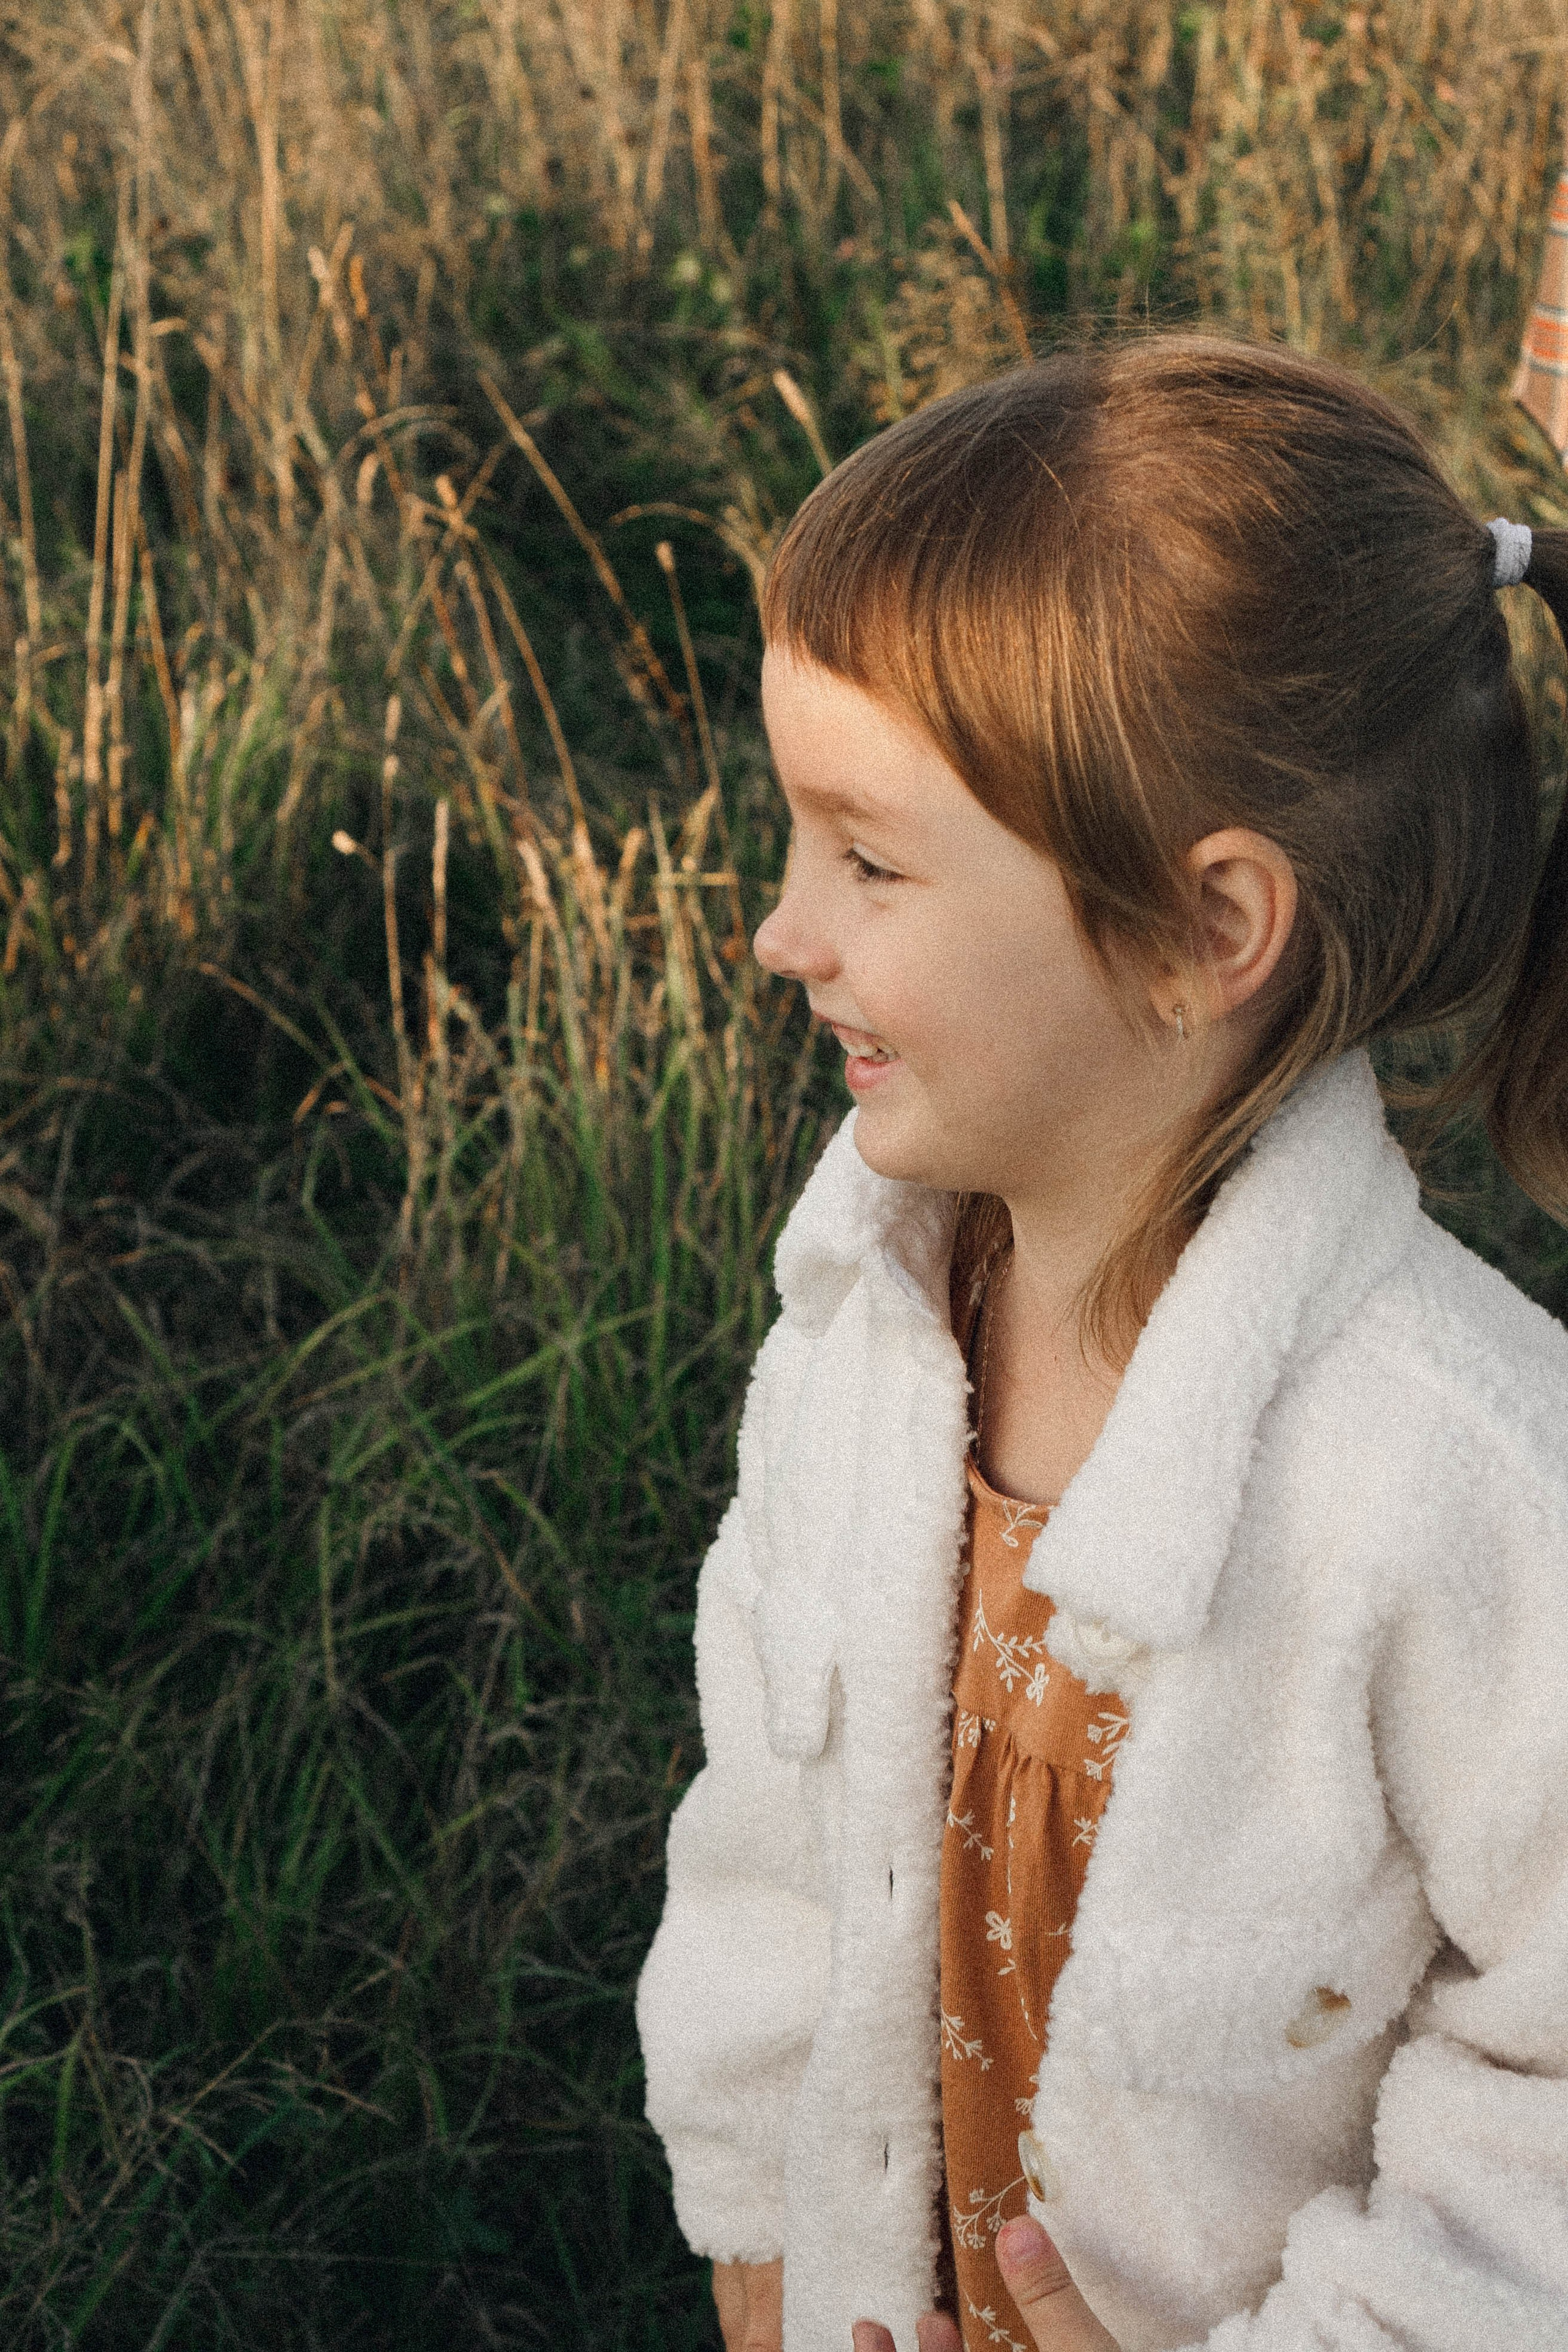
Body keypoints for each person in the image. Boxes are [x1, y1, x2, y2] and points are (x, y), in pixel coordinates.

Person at [633, 335, 1568, 2352]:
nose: (783, 933)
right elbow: (772, 1824)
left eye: (870, 860)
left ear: (1205, 931)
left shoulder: (1456, 1478)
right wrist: (761, 2237)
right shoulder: (865, 1336)